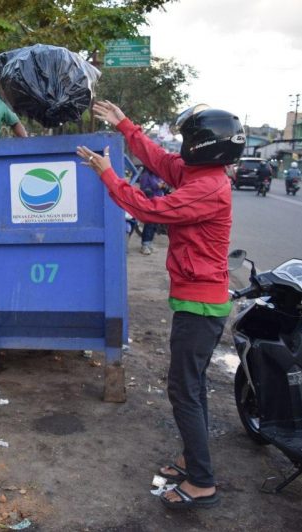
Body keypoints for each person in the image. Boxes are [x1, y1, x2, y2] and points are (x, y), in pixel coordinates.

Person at [76, 100, 245, 510]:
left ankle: (202, 481)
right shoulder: (200, 173)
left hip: (200, 305)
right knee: (193, 386)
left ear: (206, 145)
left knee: (183, 390)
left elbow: (147, 208)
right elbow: (160, 159)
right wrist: (125, 124)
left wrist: (107, 174)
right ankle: (192, 455)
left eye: (190, 139)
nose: (183, 147)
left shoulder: (208, 188)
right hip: (198, 298)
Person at [137, 166, 167, 255]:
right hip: (150, 203)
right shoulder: (146, 175)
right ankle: (145, 244)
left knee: (154, 225)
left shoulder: (158, 176)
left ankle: (149, 243)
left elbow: (164, 187)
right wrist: (156, 187)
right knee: (149, 223)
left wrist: (163, 186)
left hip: (159, 203)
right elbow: (144, 189)